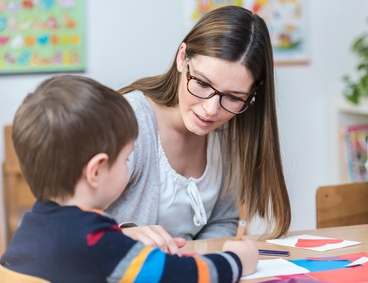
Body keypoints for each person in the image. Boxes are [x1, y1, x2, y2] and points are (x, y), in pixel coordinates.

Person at [0, 75, 258, 282]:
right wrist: (236, 260)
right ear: (97, 170)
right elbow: (184, 276)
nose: (129, 166)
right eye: (125, 159)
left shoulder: (31, 228)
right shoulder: (98, 242)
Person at [108, 5, 291, 242]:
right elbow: (66, 217)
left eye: (234, 97)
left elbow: (223, 220)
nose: (211, 110)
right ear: (182, 57)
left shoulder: (228, 131)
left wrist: (196, 259)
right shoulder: (129, 121)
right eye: (202, 84)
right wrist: (119, 234)